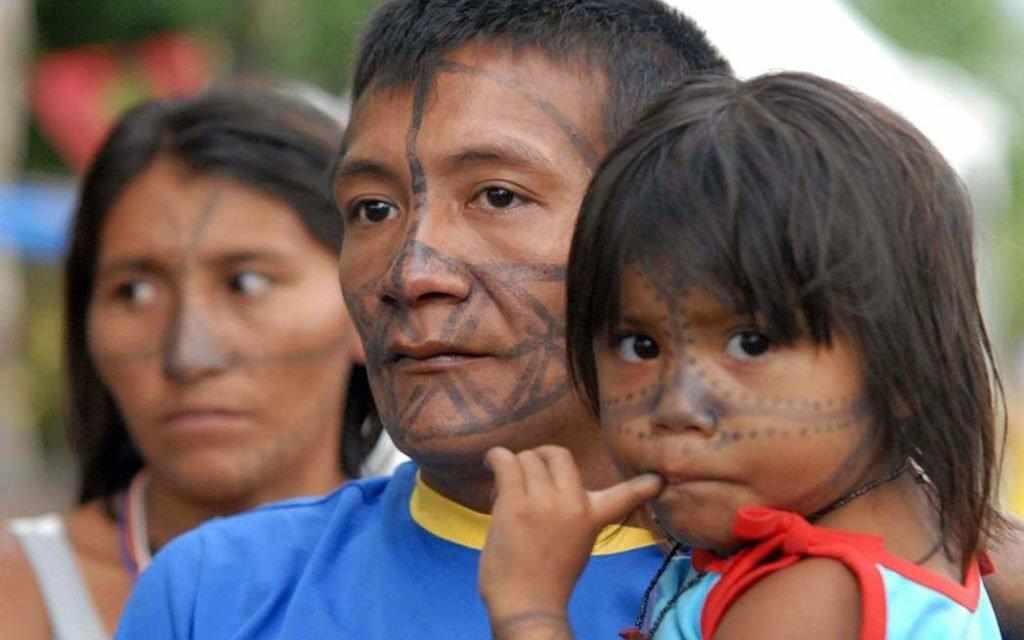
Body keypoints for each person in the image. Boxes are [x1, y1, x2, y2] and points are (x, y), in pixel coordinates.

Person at [115, 2, 1024, 639]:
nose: (412, 272)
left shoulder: (860, 580)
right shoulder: (216, 593)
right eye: (371, 209)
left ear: (660, 213)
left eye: (499, 194)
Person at [479, 72, 1007, 639]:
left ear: (905, 367)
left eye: (750, 344)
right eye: (640, 346)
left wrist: (529, 606)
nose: (677, 405)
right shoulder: (924, 531)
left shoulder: (808, 598)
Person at [0, 86, 399, 640]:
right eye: (134, 291)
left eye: (247, 282)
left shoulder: (477, 580)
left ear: (367, 305)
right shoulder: (16, 593)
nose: (189, 356)